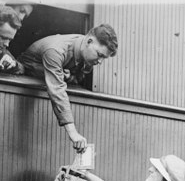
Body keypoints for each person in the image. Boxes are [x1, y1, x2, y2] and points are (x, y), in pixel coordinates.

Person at [19, 24, 118, 153]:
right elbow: (57, 90)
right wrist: (73, 133)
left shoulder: (88, 55)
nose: (100, 62)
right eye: (99, 55)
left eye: (104, 58)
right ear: (89, 41)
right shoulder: (56, 50)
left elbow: (78, 78)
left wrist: (69, 76)